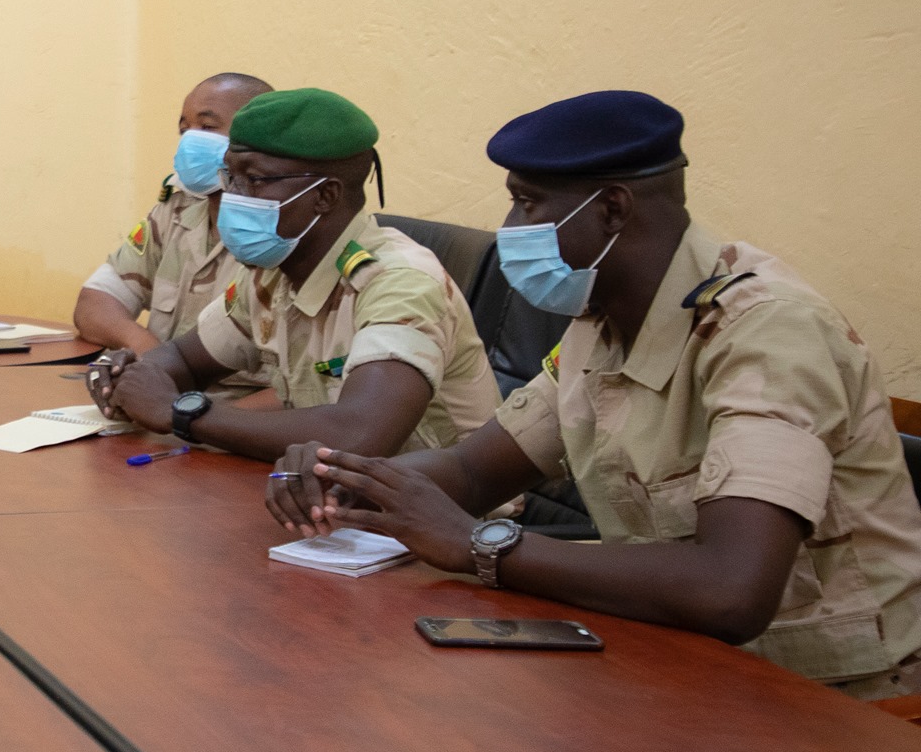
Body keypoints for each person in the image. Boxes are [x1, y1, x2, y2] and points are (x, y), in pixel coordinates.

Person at [271, 90, 921, 699]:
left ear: (612, 207)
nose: (509, 226)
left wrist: (477, 545)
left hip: (840, 700)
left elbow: (731, 589)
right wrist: (349, 480)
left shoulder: (768, 331)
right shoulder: (603, 320)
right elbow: (472, 470)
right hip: (677, 662)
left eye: (527, 203)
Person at [88, 88, 499, 461]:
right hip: (328, 505)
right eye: (231, 176)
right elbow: (183, 358)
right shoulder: (273, 274)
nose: (232, 196)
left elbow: (360, 433)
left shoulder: (400, 282)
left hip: (445, 520)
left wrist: (182, 414)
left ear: (325, 195)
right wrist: (133, 378)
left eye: (256, 180)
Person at [74, 72, 275, 353]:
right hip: (158, 386)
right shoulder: (175, 210)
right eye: (185, 130)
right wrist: (151, 354)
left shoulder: (281, 226)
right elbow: (95, 304)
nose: (191, 140)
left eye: (206, 127)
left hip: (236, 397)